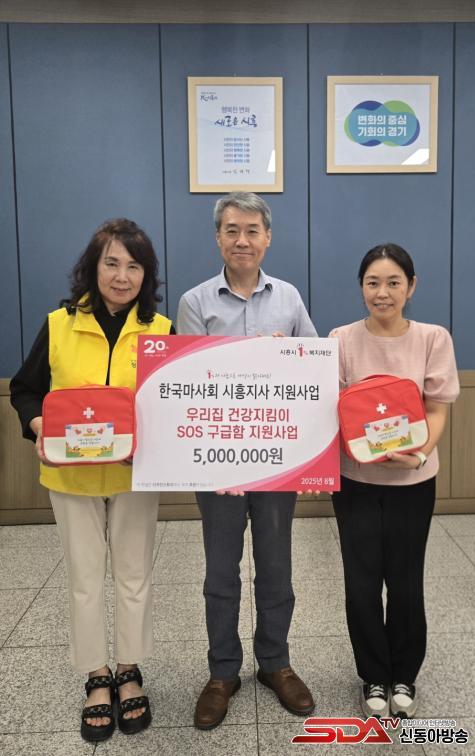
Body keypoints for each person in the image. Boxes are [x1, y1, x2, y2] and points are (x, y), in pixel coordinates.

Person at [10, 218, 175, 743]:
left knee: (133, 575)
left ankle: (128, 670)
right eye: (111, 263)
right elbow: (25, 390)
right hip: (70, 477)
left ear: (146, 274)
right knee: (85, 579)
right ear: (92, 266)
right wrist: (39, 425)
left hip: (132, 476)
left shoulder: (161, 330)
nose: (122, 276)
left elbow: (171, 404)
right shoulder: (59, 324)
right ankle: (97, 675)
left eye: (134, 266)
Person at [177, 192, 317, 730]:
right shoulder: (195, 302)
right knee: (220, 571)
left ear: (268, 237)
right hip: (218, 464)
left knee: (276, 567)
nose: (242, 240)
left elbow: (314, 369)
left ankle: (275, 662)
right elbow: (186, 382)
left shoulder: (289, 297)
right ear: (218, 237)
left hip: (276, 460)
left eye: (252, 230)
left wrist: (287, 355)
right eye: (232, 230)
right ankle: (222, 672)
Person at [329, 243, 459, 720]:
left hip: (413, 481)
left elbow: (436, 408)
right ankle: (372, 675)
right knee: (361, 584)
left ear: (411, 286)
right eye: (372, 283)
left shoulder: (432, 338)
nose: (382, 293)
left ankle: (404, 673)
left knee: (405, 582)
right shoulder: (340, 340)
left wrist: (418, 454)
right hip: (356, 481)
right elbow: (326, 409)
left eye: (393, 283)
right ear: (361, 287)